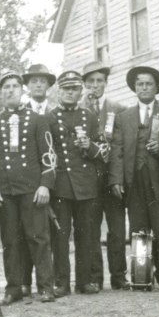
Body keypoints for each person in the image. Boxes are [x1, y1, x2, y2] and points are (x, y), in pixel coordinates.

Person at [0, 70, 56, 305]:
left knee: (38, 238)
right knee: (11, 241)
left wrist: (45, 185)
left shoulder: (37, 119)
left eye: (15, 86)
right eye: (6, 87)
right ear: (1, 92)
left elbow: (48, 156)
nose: (11, 90)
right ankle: (13, 288)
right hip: (5, 192)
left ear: (22, 90)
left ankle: (46, 287)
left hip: (32, 190)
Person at [109, 67, 159, 290]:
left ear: (156, 87)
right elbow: (116, 149)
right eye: (139, 84)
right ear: (135, 88)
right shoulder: (124, 117)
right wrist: (116, 180)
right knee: (138, 228)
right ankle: (141, 276)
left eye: (148, 84)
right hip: (133, 179)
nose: (143, 88)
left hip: (157, 178)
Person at [45, 71, 103, 297]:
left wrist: (89, 145)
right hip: (60, 185)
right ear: (59, 91)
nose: (70, 92)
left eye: (75, 89)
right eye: (66, 88)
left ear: (81, 91)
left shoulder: (89, 117)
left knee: (86, 234)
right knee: (60, 236)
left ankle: (85, 281)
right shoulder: (49, 118)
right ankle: (62, 283)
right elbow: (46, 154)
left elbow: (102, 151)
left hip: (85, 185)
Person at [81, 60, 128, 290]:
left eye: (100, 81)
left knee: (117, 228)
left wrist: (117, 178)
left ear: (106, 83)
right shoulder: (79, 110)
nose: (95, 86)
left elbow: (120, 147)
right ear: (84, 84)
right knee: (91, 229)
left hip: (112, 178)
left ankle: (119, 276)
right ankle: (95, 277)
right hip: (89, 179)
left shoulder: (117, 109)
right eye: (90, 81)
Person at [21, 63, 56, 297]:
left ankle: (56, 282)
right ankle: (25, 282)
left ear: (48, 86)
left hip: (56, 180)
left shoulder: (56, 112)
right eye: (33, 81)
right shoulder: (21, 113)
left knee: (53, 233)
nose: (37, 85)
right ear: (27, 86)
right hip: (30, 183)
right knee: (27, 233)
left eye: (42, 81)